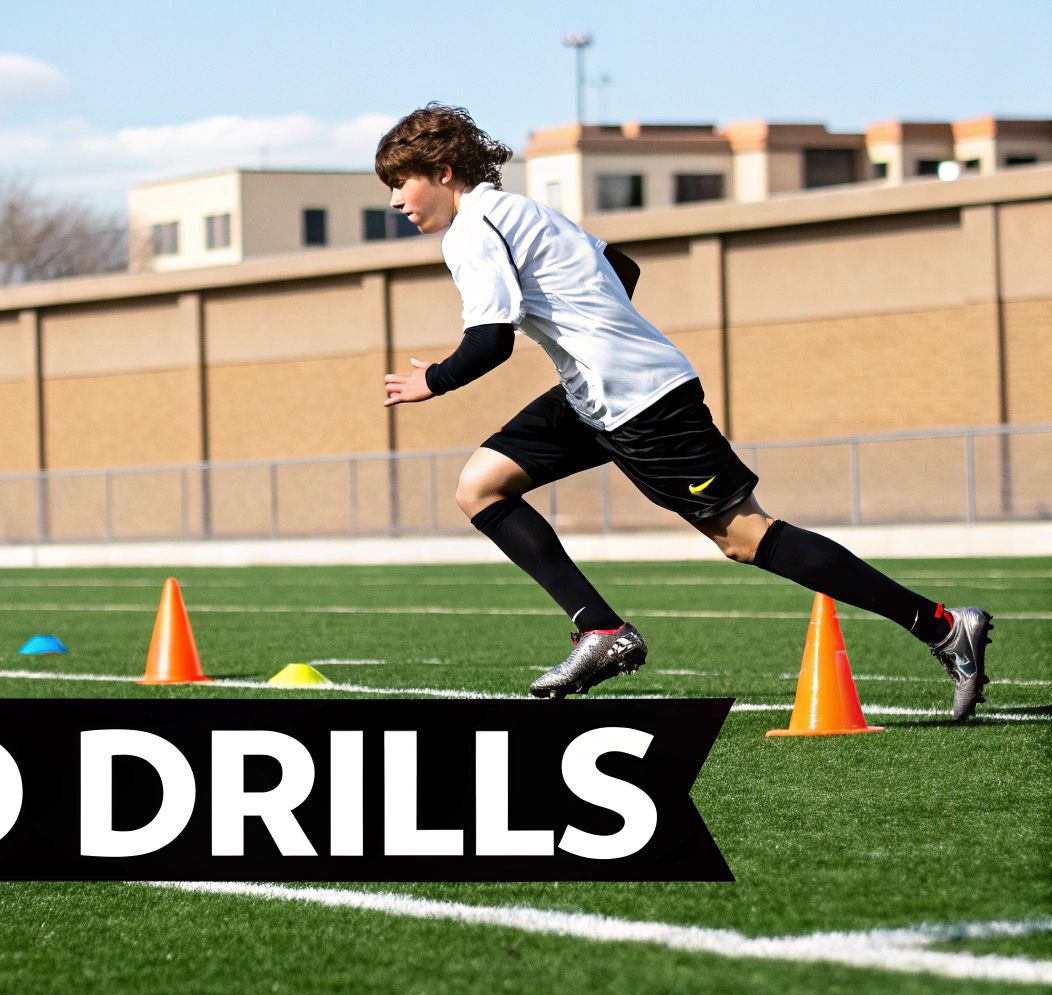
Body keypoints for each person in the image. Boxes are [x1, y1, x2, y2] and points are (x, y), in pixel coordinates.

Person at [376, 104, 994, 720]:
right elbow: (622, 266)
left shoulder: (471, 231)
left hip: (641, 403)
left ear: (444, 171)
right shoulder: (524, 210)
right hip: (597, 391)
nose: (398, 203)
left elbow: (491, 341)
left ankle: (940, 625)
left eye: (401, 184)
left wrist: (433, 379)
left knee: (746, 538)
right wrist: (599, 329)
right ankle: (600, 630)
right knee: (481, 485)